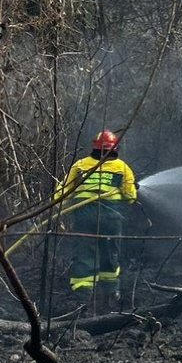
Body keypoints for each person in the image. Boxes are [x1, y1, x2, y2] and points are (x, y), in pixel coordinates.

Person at [55, 129, 139, 309]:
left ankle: (82, 295)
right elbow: (130, 197)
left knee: (84, 250)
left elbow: (63, 191)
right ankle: (110, 291)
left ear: (95, 147)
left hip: (83, 213)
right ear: (115, 148)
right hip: (111, 216)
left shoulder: (81, 165)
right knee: (110, 251)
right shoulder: (123, 168)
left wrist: (54, 205)